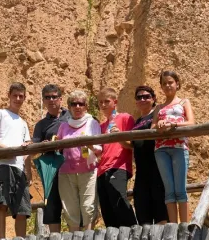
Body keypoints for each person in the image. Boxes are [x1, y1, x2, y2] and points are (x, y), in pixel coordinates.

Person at [0, 82, 31, 240]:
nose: (17, 98)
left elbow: (27, 149)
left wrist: (28, 170)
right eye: (15, 95)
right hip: (2, 165)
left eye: (21, 96)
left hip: (19, 168)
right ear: (8, 96)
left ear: (24, 98)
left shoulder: (23, 123)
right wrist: (5, 150)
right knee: (1, 203)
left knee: (22, 208)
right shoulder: (0, 113)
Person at [152, 70, 195, 224]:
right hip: (161, 149)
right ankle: (173, 227)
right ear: (161, 87)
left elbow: (191, 122)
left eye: (170, 82)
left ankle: (184, 225)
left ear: (177, 84)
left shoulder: (184, 102)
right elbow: (153, 127)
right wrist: (160, 125)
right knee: (169, 190)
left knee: (180, 189)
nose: (168, 85)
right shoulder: (158, 108)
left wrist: (174, 124)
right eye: (164, 83)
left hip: (179, 146)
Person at [27, 84, 70, 234]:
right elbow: (35, 146)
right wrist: (43, 145)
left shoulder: (70, 116)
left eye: (54, 97)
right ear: (43, 100)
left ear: (60, 99)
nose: (51, 100)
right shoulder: (41, 124)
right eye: (47, 97)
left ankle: (76, 239)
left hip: (72, 165)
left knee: (72, 204)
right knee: (52, 205)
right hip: (51, 168)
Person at [56, 90, 102, 231]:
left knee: (88, 207)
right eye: (73, 104)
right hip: (66, 173)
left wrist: (89, 145)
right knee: (70, 210)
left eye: (80, 104)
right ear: (69, 107)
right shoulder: (63, 126)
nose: (77, 107)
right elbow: (58, 147)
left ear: (86, 106)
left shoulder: (92, 123)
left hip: (87, 171)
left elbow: (99, 149)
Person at [96, 87, 137, 228]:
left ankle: (133, 233)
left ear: (115, 102)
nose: (103, 105)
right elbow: (100, 151)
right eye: (100, 102)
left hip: (118, 166)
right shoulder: (101, 126)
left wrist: (119, 136)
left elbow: (132, 144)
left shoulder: (125, 118)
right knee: (107, 210)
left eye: (106, 101)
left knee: (119, 201)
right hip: (101, 170)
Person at [130, 84, 168, 225]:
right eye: (139, 97)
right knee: (142, 207)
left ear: (153, 99)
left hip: (157, 167)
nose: (143, 99)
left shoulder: (156, 115)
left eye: (146, 96)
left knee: (160, 208)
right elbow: (133, 144)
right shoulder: (137, 122)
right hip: (141, 171)